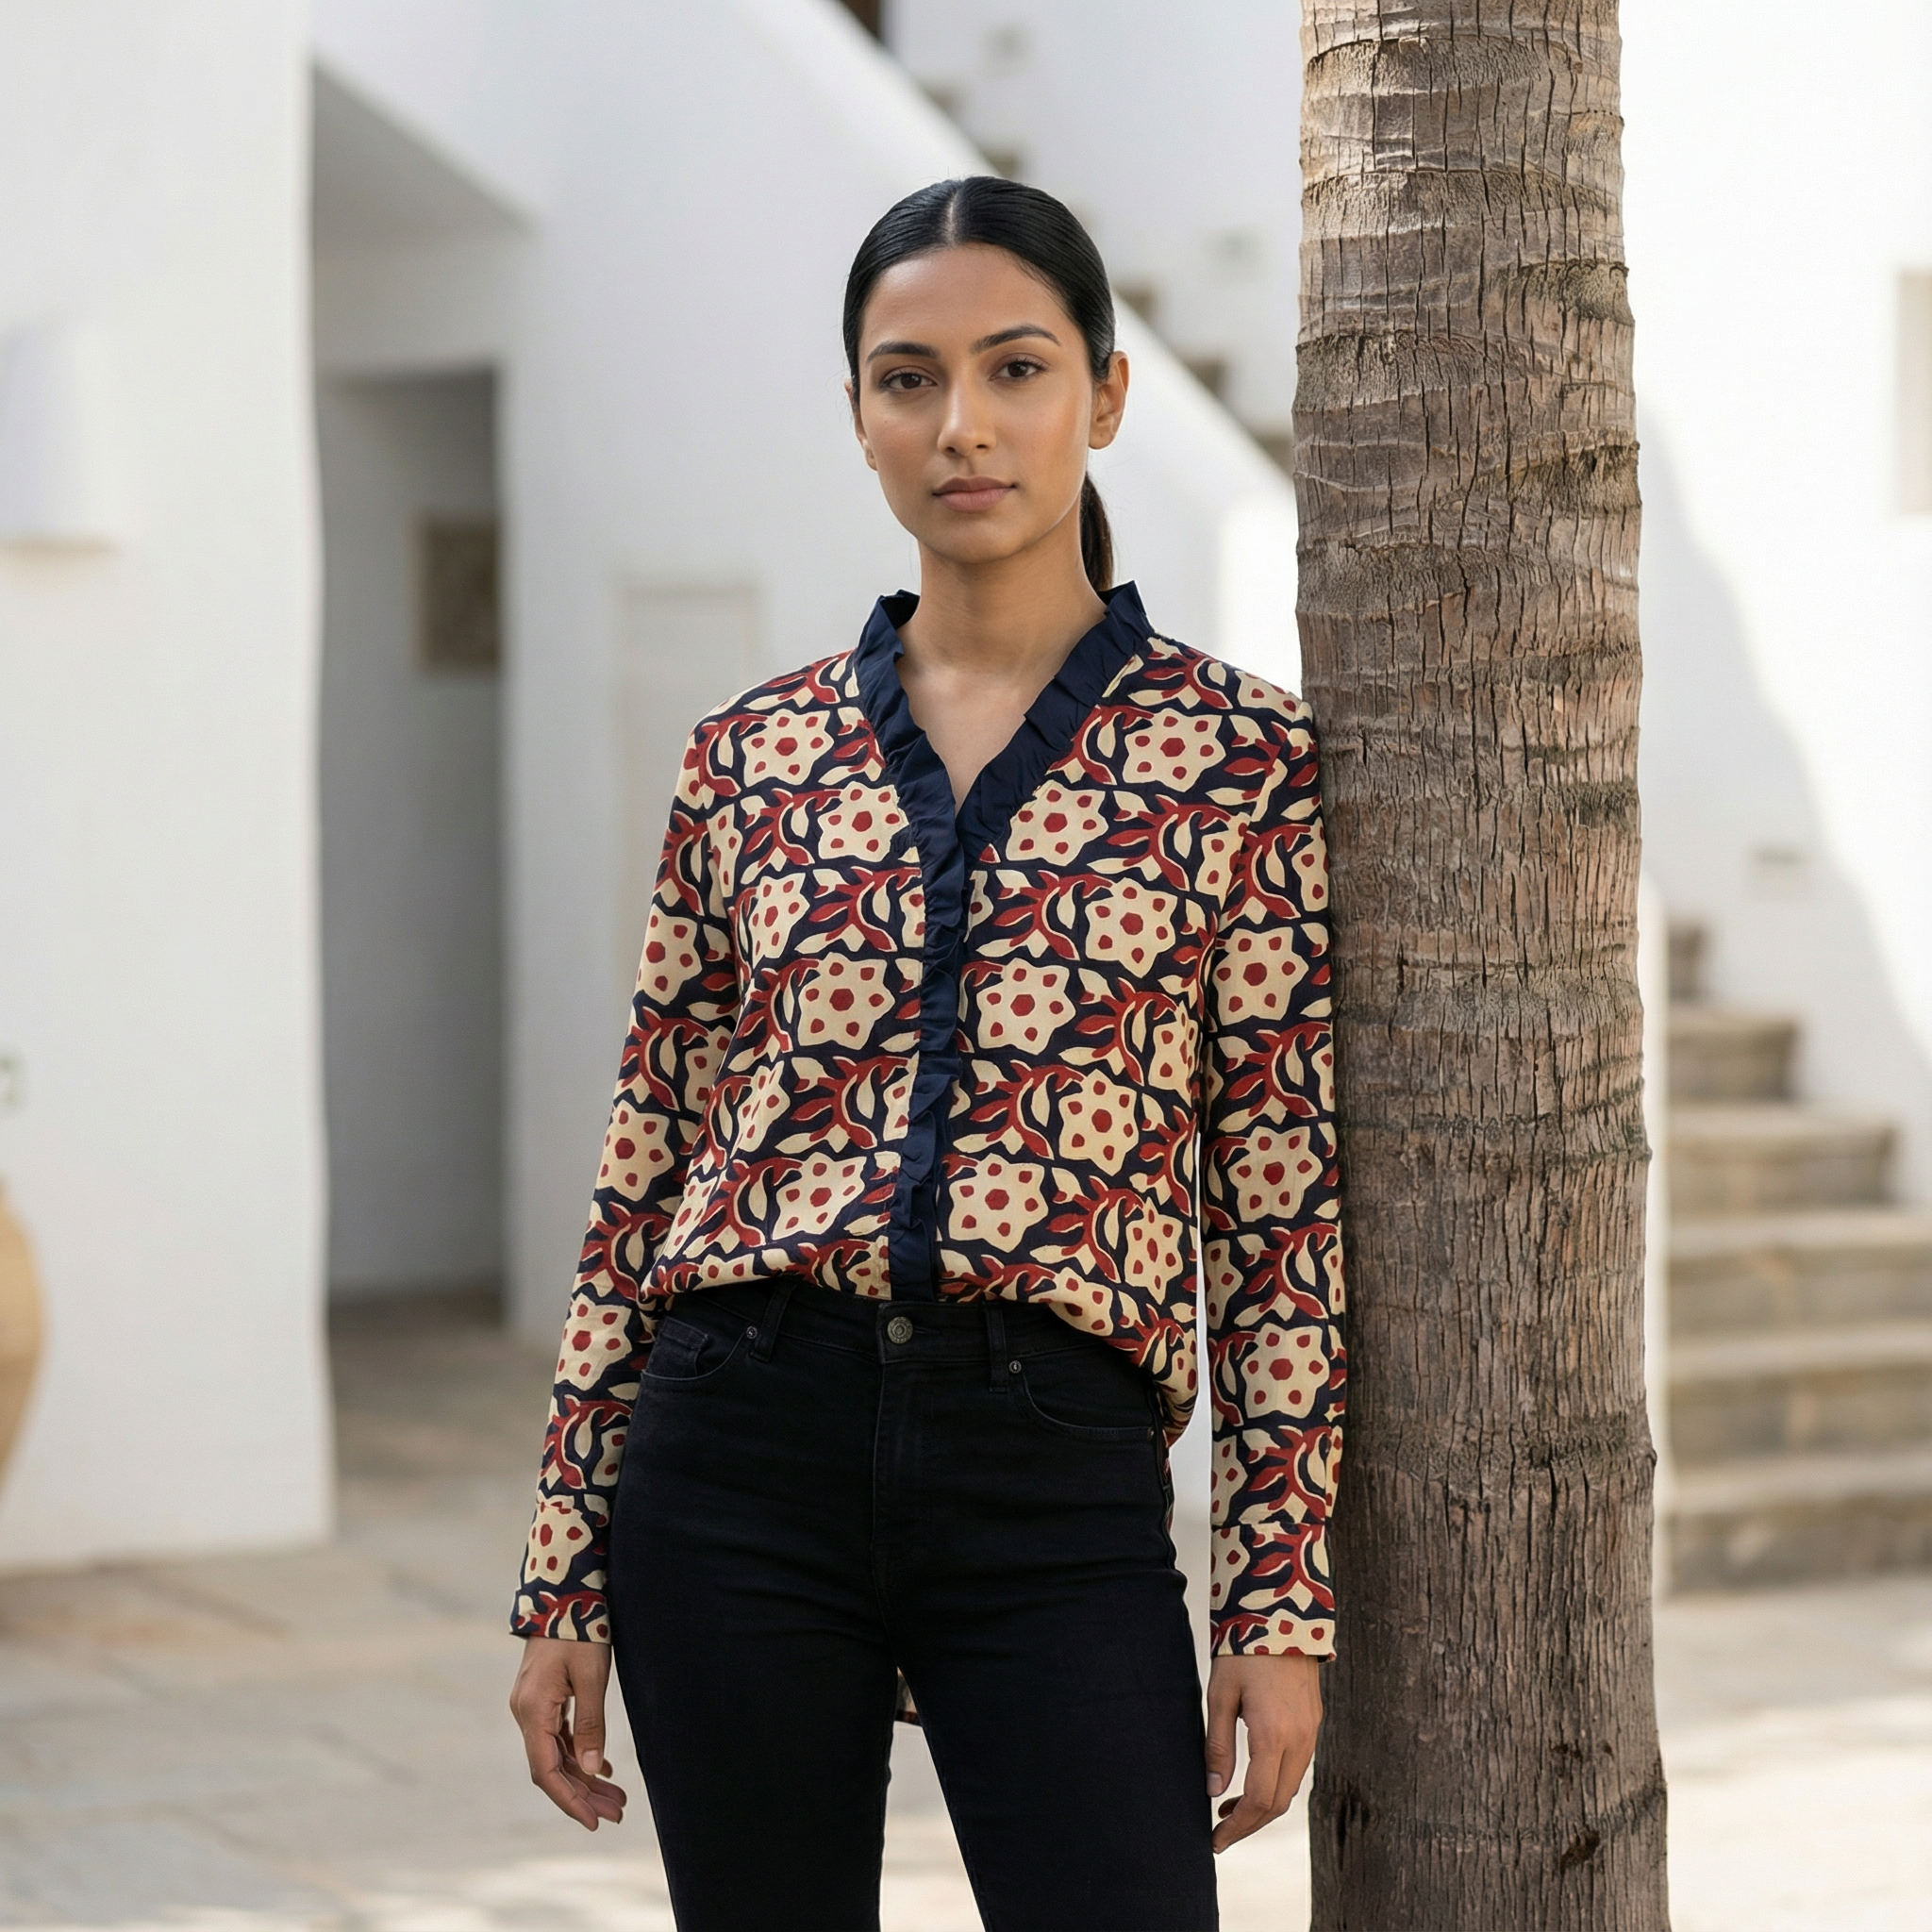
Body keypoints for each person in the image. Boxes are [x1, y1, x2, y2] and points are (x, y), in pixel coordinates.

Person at [508, 175, 1345, 1932]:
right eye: (908, 380)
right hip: (736, 1449)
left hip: (1050, 1468)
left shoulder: (1239, 764)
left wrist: (1276, 1606)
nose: (963, 425)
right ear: (862, 418)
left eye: (1017, 369)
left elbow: (1281, 1225)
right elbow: (644, 1167)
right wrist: (563, 1574)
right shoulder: (749, 757)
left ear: (1106, 398)